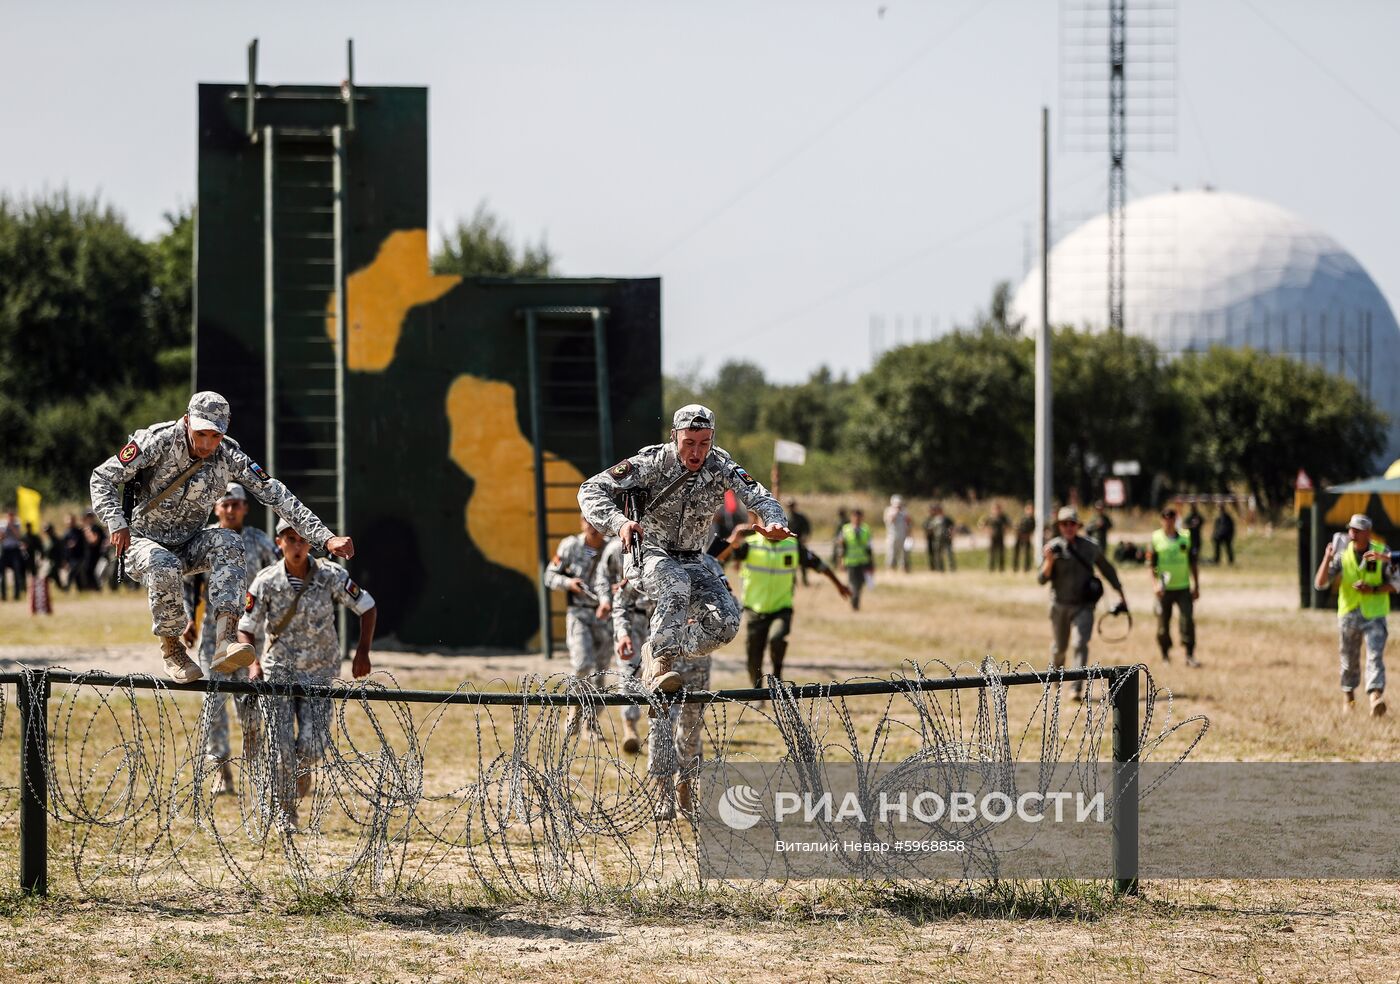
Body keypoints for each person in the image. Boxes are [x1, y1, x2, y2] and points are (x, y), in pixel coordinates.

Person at [90, 391, 355, 683]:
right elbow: (102, 477)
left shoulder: (228, 454)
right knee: (164, 563)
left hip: (189, 543)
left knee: (229, 541)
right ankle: (172, 649)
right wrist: (116, 522)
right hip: (143, 542)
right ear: (187, 420)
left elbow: (276, 494)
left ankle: (226, 639)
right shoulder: (157, 441)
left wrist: (325, 538)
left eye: (214, 436)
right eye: (200, 433)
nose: (206, 444)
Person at [577, 403, 790, 699]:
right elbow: (590, 489)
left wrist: (776, 521)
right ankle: (660, 665)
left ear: (712, 439)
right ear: (674, 436)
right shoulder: (651, 463)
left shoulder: (721, 466)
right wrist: (620, 523)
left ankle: (659, 650)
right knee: (675, 580)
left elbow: (759, 496)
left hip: (692, 561)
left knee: (726, 622)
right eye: (688, 443)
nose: (696, 452)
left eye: (704, 443)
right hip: (648, 556)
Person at [239, 518, 376, 824]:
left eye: (302, 540)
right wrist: (254, 664)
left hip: (318, 672)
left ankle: (303, 772)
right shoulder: (266, 581)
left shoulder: (329, 576)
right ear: (279, 543)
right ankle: (285, 811)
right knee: (280, 749)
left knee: (313, 746)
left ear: (311, 543)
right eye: (290, 539)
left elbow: (367, 606)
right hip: (279, 674)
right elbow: (246, 628)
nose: (297, 546)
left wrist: (362, 652)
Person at [181, 483, 279, 794]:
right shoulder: (205, 540)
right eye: (226, 504)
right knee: (214, 704)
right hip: (214, 636)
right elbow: (190, 585)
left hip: (251, 638)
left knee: (250, 704)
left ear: (245, 508)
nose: (231, 509)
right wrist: (188, 621)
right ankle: (221, 771)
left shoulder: (260, 542)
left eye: (237, 504)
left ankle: (257, 771)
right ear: (216, 508)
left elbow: (277, 581)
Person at [718, 511, 851, 688]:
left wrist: (839, 585)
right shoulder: (749, 545)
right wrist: (734, 537)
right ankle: (757, 691)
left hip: (781, 608)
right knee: (754, 657)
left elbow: (819, 564)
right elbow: (718, 559)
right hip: (754, 610)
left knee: (777, 638)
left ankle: (777, 676)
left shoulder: (792, 546)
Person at [1039, 506, 1128, 701]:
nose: (1068, 527)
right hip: (1059, 605)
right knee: (1059, 648)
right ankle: (1055, 676)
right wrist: (1049, 561)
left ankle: (1076, 687)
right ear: (1059, 527)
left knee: (1080, 644)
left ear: (1077, 526)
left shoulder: (1090, 547)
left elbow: (1107, 570)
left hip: (1083, 606)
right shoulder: (1053, 547)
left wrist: (1121, 594)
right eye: (1064, 524)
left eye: (1072, 524)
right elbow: (1042, 579)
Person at [543, 515, 614, 738]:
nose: (591, 526)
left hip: (605, 616)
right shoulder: (570, 546)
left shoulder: (613, 549)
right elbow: (549, 576)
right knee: (583, 664)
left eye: (596, 521)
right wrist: (568, 583)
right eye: (587, 520)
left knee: (601, 672)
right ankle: (574, 711)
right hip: (579, 614)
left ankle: (591, 724)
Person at [1315, 514, 1392, 717]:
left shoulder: (1382, 552)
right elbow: (1320, 583)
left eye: (1357, 531)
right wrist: (1327, 558)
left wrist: (1373, 589)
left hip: (1374, 614)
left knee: (1374, 656)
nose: (1352, 534)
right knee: (1348, 659)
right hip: (1349, 613)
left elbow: (1397, 583)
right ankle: (1349, 699)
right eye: (1350, 529)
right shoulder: (1341, 555)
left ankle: (1376, 697)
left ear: (1367, 532)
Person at [600, 536, 649, 754]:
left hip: (657, 617)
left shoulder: (661, 544)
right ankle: (630, 727)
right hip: (628, 616)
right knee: (629, 671)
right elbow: (603, 578)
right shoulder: (614, 549)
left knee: (662, 673)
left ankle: (667, 728)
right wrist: (605, 599)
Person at [1147, 507, 1200, 666]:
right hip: (1164, 589)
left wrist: (1196, 585)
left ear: (1175, 519)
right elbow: (1151, 565)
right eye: (1165, 517)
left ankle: (1189, 655)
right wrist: (1155, 585)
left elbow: (1193, 563)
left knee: (1187, 621)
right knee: (1163, 624)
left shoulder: (1185, 537)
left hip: (1183, 587)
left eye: (1171, 517)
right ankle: (1165, 655)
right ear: (1161, 519)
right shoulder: (1156, 538)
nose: (1168, 521)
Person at [835, 507, 874, 610]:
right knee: (853, 584)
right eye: (855, 516)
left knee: (860, 584)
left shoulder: (866, 529)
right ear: (852, 517)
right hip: (850, 561)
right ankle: (854, 603)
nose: (857, 519)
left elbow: (869, 547)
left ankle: (855, 599)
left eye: (859, 517)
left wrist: (871, 563)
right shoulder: (845, 529)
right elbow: (841, 548)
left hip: (863, 561)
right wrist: (841, 561)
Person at [786, 498, 813, 586]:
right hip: (789, 543)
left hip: (799, 542)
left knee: (803, 561)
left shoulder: (801, 517)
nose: (791, 508)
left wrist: (805, 537)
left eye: (792, 506)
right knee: (790, 563)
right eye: (789, 506)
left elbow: (807, 528)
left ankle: (804, 580)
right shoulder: (786, 517)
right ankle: (792, 581)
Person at [0, 511, 25, 601]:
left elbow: (18, 536)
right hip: (5, 551)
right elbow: (1, 538)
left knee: (17, 572)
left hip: (15, 550)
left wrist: (11, 526)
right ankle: (3, 595)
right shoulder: (2, 525)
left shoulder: (17, 524)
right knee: (2, 574)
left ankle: (16, 595)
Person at [882, 495, 911, 572]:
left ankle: (903, 568)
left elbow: (908, 523)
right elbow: (889, 521)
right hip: (892, 536)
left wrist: (909, 534)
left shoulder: (904, 511)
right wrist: (895, 512)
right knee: (891, 553)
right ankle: (890, 569)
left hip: (903, 536)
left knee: (904, 554)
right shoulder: (888, 510)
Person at [982, 503, 1010, 572]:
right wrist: (987, 531)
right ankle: (991, 568)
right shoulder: (990, 517)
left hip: (1001, 537)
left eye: (998, 509)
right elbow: (982, 524)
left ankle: (1001, 568)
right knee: (992, 554)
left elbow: (1008, 525)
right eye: (995, 509)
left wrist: (1006, 531)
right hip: (993, 537)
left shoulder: (1003, 517)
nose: (996, 510)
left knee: (1001, 554)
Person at [1013, 502, 1037, 573]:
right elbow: (1018, 526)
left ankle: (1027, 568)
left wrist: (1029, 535)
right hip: (1019, 536)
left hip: (1026, 537)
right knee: (1017, 552)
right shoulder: (1022, 518)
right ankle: (1015, 567)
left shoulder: (1032, 519)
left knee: (1027, 553)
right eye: (1028, 509)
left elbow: (1033, 528)